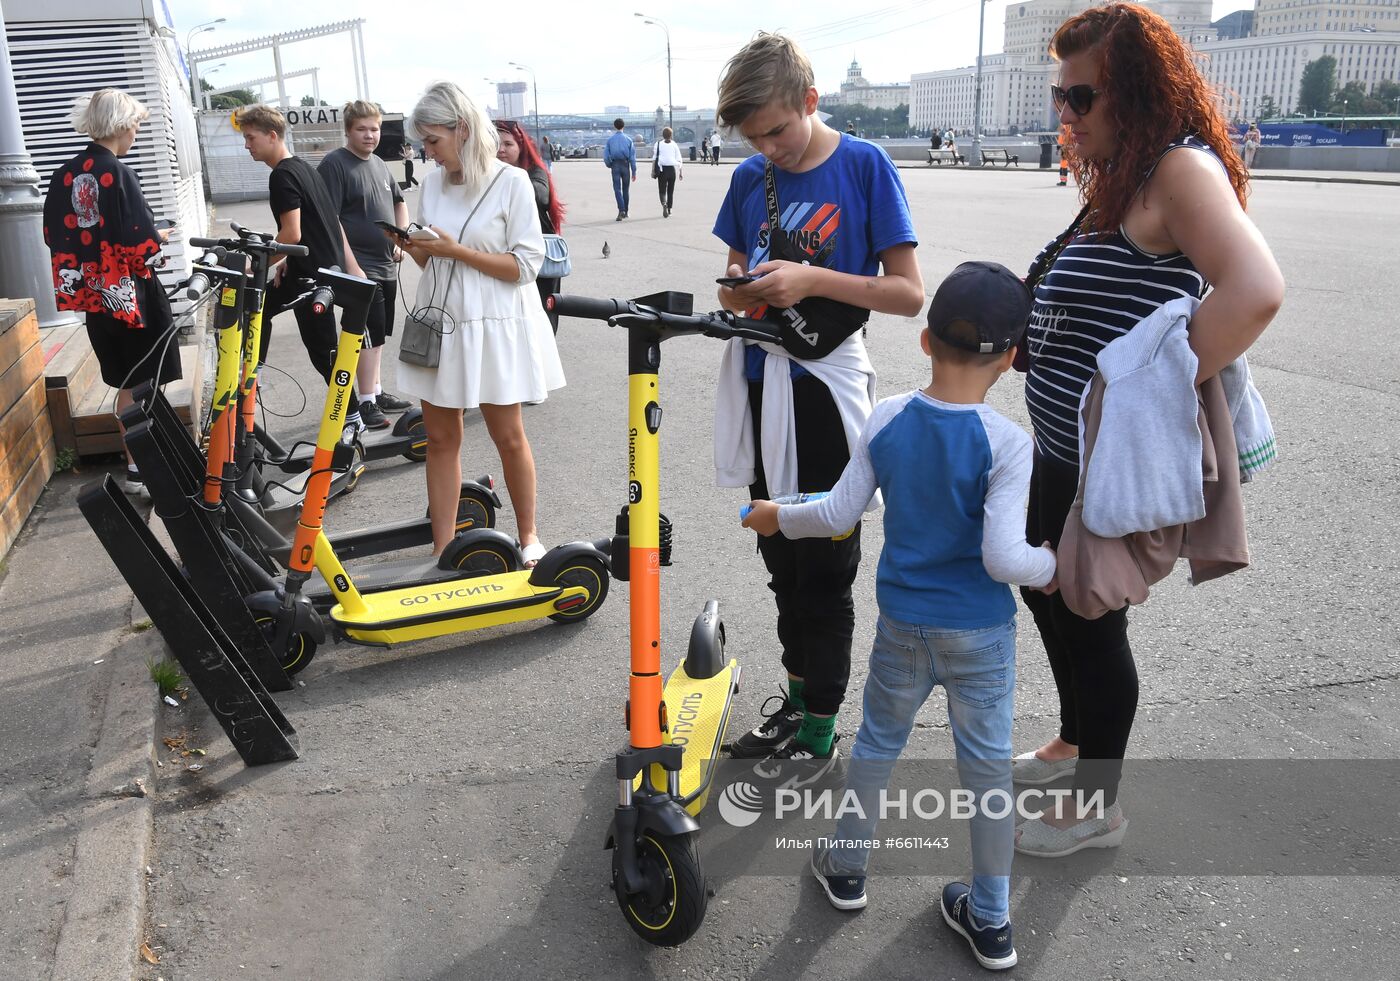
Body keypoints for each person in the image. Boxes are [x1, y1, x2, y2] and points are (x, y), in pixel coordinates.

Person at [1014, 2, 1284, 856]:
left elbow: (1255, 290)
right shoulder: (1120, 178)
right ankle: (1074, 739)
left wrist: (1152, 389)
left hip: (1101, 466)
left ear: (1135, 91)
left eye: (1081, 97)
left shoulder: (1176, 170)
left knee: (1092, 624)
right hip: (1063, 455)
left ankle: (1100, 805)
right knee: (1050, 595)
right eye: (1060, 98)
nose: (1067, 114)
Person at [744, 262, 1056, 972]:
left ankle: (848, 866)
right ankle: (991, 915)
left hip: (902, 627)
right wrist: (1054, 566)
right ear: (1010, 358)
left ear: (924, 342)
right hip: (981, 634)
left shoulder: (886, 420)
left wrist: (772, 515)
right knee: (985, 772)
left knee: (879, 742)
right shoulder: (1007, 443)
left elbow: (834, 513)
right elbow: (1006, 558)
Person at [712, 32, 925, 772]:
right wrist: (740, 290)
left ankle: (822, 725)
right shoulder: (748, 179)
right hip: (762, 382)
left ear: (811, 99)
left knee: (825, 567)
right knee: (778, 556)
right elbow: (730, 277)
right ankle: (798, 700)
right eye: (753, 136)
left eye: (777, 129)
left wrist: (809, 281)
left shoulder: (865, 165)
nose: (768, 147)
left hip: (827, 395)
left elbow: (907, 293)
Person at [396, 82, 564, 562]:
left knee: (508, 435)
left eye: (433, 140)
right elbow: (437, 265)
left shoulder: (509, 182)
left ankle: (530, 536)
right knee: (442, 438)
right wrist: (418, 251)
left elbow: (525, 267)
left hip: (495, 323)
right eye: (424, 142)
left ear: (462, 129)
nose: (427, 153)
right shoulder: (431, 185)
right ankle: (443, 548)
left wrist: (455, 251)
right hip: (443, 322)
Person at [42, 88, 181, 498]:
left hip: (95, 299)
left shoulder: (65, 173)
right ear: (121, 124)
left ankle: (137, 466)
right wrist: (160, 238)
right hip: (132, 293)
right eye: (136, 123)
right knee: (148, 381)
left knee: (124, 381)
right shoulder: (120, 174)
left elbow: (54, 235)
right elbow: (140, 244)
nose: (137, 131)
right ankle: (154, 466)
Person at [235, 104, 376, 433]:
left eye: (250, 137)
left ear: (272, 136)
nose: (247, 145)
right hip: (318, 268)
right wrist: (285, 260)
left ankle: (351, 417)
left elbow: (292, 233)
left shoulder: (282, 176)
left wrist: (256, 265)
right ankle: (249, 386)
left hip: (313, 277)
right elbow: (314, 226)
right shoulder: (302, 168)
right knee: (259, 311)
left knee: (321, 349)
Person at [318, 100, 415, 430]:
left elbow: (399, 203)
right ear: (348, 130)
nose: (370, 135)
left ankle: (373, 389)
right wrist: (351, 264)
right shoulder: (335, 164)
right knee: (364, 334)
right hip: (359, 266)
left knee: (379, 334)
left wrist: (401, 241)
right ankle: (366, 402)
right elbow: (330, 219)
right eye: (362, 129)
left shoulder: (378, 164)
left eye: (374, 129)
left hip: (386, 263)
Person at [495, 118, 566, 333]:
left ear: (520, 146)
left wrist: (510, 182)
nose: (501, 150)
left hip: (539, 256)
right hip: (505, 258)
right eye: (495, 144)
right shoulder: (485, 176)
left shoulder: (534, 171)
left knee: (543, 315)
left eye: (508, 144)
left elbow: (541, 195)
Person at [602, 117, 636, 221]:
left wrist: (610, 165)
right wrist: (634, 171)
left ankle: (621, 210)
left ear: (614, 126)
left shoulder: (610, 140)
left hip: (615, 165)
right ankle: (626, 212)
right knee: (626, 189)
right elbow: (632, 157)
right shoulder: (629, 140)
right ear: (623, 126)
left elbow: (606, 157)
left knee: (617, 189)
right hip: (625, 165)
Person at [653, 126, 683, 218]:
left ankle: (664, 203)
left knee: (662, 190)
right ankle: (670, 209)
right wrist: (680, 172)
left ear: (663, 135)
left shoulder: (658, 144)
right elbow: (679, 159)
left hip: (662, 170)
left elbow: (654, 159)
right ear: (671, 135)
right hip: (672, 170)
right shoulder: (674, 144)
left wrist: (653, 170)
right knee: (670, 191)